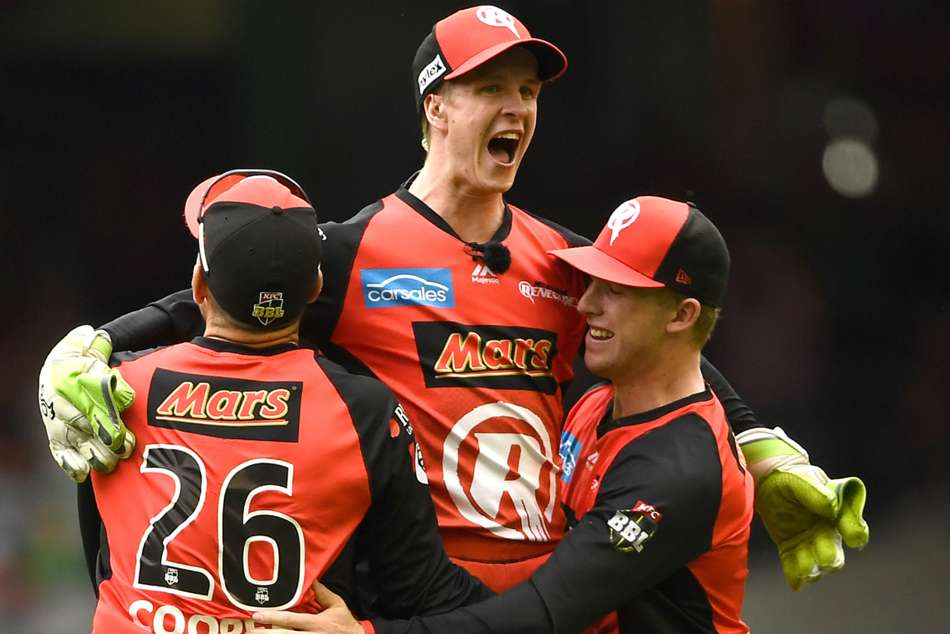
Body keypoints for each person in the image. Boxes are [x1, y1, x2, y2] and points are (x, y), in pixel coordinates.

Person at [38, 5, 867, 596]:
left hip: (549, 597)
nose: (517, 108)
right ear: (435, 106)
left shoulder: (565, 260)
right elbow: (209, 296)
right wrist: (90, 345)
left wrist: (759, 443)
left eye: (528, 93)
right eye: (491, 87)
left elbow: (669, 347)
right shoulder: (353, 250)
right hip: (415, 596)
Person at [250, 195, 754, 634]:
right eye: (593, 281)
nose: (585, 304)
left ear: (682, 315)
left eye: (616, 291)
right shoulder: (599, 404)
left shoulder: (680, 470)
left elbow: (545, 613)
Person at [48, 171, 490, 633]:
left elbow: (101, 564)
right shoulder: (364, 411)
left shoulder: (115, 385)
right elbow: (421, 592)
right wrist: (539, 603)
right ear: (316, 288)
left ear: (198, 284)